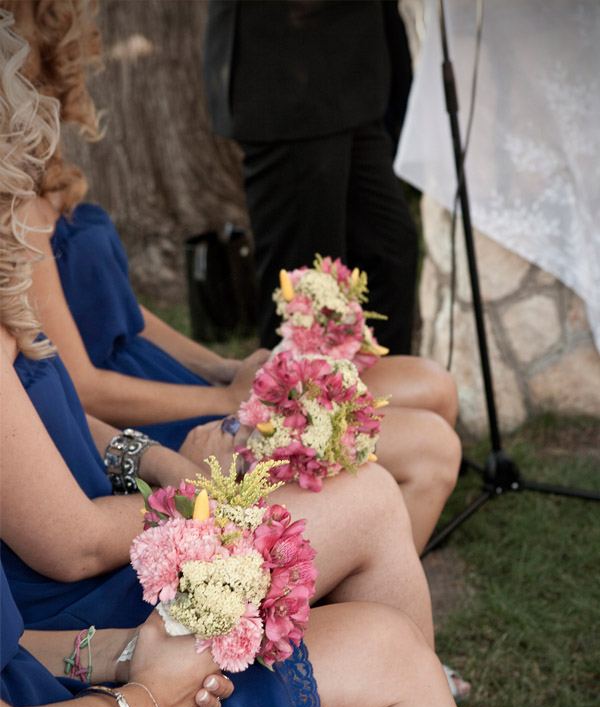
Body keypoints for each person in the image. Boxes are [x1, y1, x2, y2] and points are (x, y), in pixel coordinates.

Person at [0, 15, 537, 707]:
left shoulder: (28, 229)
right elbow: (67, 530)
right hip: (89, 588)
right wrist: (199, 495)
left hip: (101, 555)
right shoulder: (18, 223)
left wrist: (203, 401)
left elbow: (76, 389)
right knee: (372, 499)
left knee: (407, 446)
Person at [6, 0, 462, 554]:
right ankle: (333, 586)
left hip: (170, 379)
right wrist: (221, 399)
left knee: (434, 387)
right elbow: (80, 383)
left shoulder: (43, 163)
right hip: (141, 415)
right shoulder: (16, 203)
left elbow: (123, 313)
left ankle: (352, 573)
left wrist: (223, 366)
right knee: (430, 447)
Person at [204, 0, 419, 354]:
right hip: (289, 73)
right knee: (309, 294)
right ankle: (303, 406)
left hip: (356, 73)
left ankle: (380, 405)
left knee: (388, 253)